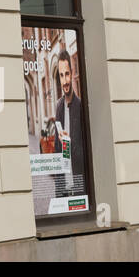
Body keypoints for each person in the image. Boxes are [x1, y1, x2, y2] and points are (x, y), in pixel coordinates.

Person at [51, 49, 86, 199]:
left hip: (78, 188)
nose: (64, 81)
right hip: (63, 189)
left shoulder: (81, 107)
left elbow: (86, 156)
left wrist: (69, 143)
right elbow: (57, 150)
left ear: (71, 74)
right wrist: (58, 191)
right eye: (61, 75)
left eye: (67, 74)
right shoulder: (58, 106)